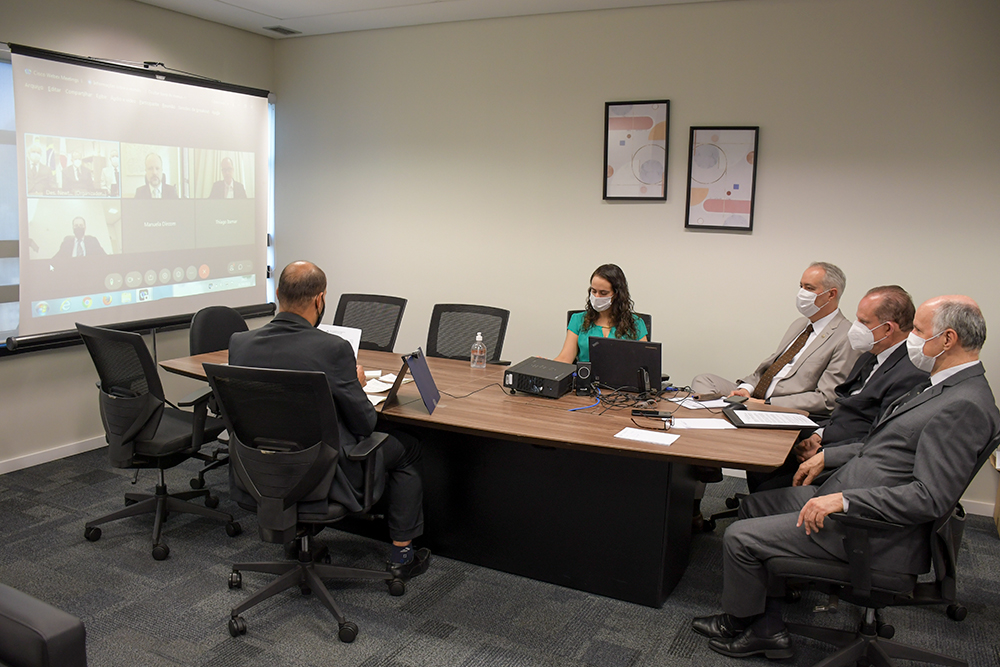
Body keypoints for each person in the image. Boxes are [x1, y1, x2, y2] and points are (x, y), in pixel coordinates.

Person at [692, 296, 1000, 660]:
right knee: (754, 507)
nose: (911, 339)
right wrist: (828, 457)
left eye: (918, 330)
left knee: (740, 537)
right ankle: (763, 624)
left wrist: (844, 500)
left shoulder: (964, 404)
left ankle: (748, 626)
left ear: (948, 339)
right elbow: (884, 445)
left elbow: (929, 497)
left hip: (872, 528)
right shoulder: (941, 385)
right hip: (850, 491)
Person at [228, 261, 430, 579]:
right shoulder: (332, 350)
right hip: (323, 472)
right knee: (409, 448)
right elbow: (366, 425)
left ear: (279, 293)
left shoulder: (240, 343)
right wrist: (357, 384)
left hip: (261, 470)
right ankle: (402, 555)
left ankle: (298, 538)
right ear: (320, 299)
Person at [747, 285, 928, 492]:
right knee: (762, 450)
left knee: (766, 489)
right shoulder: (869, 355)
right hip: (828, 436)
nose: (855, 326)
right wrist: (818, 436)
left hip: (849, 461)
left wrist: (825, 452)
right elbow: (843, 405)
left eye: (864, 322)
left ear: (888, 329)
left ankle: (763, 511)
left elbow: (880, 437)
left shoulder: (911, 373)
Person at [691, 262, 860, 414]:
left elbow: (827, 398)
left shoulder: (845, 336)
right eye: (800, 286)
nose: (801, 293)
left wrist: (767, 403)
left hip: (781, 406)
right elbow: (770, 368)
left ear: (831, 294)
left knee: (715, 409)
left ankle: (725, 420)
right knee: (704, 380)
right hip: (755, 396)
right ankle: (725, 419)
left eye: (809, 288)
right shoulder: (800, 324)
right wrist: (746, 389)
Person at [554, 263, 647, 364]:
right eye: (594, 291)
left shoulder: (635, 323)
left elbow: (645, 363)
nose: (597, 297)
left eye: (603, 293)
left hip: (623, 379)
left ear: (617, 294)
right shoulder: (578, 320)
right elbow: (565, 359)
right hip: (587, 378)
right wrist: (545, 366)